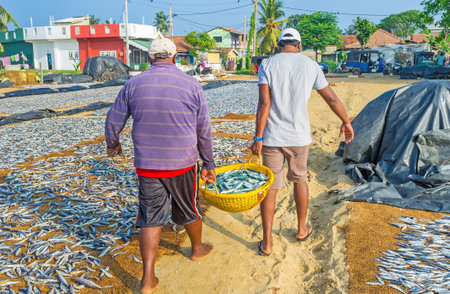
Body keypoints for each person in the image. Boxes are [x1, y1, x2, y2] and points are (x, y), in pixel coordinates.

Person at [105, 38, 216, 293]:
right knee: (189, 207)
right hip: (182, 164)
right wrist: (208, 162)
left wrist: (113, 143)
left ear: (149, 59)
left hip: (148, 166)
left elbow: (114, 119)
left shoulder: (133, 84)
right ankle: (197, 249)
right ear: (175, 58)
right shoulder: (192, 84)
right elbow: (203, 130)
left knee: (150, 217)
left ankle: (147, 279)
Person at [251, 28, 354, 256]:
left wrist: (258, 137)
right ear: (299, 45)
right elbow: (331, 98)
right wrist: (346, 121)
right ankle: (300, 229)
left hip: (272, 138)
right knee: (300, 180)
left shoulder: (268, 65)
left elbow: (264, 105)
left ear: (279, 45)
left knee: (271, 188)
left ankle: (267, 242)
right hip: (298, 137)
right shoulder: (311, 66)